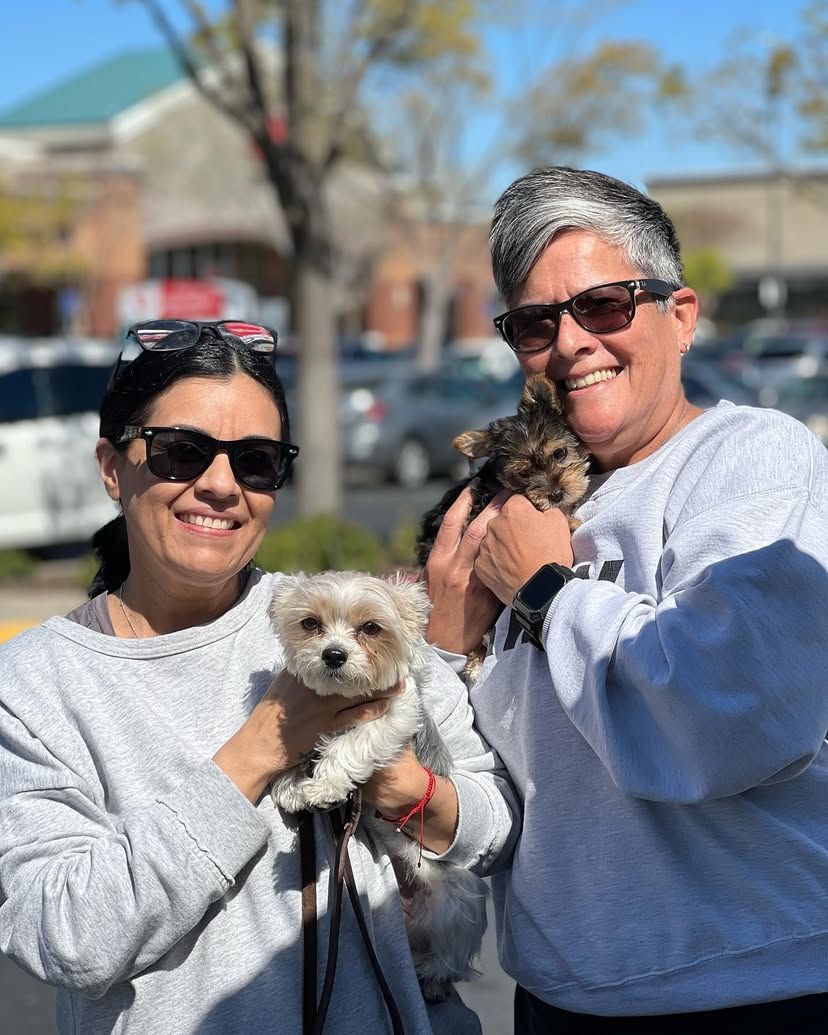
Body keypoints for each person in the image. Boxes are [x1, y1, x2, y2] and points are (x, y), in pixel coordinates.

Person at [0, 319, 517, 1034]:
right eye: (181, 452)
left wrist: (410, 792)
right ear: (112, 465)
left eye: (255, 461)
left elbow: (498, 827)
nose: (220, 486)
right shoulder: (36, 683)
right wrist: (263, 747)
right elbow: (65, 937)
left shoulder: (337, 610)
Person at [422, 167, 828, 1032]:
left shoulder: (750, 459)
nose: (570, 343)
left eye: (605, 304)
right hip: (561, 996)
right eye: (535, 322)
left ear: (679, 317)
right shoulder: (512, 512)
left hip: (759, 987)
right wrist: (444, 651)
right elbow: (497, 793)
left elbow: (729, 716)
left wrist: (542, 589)